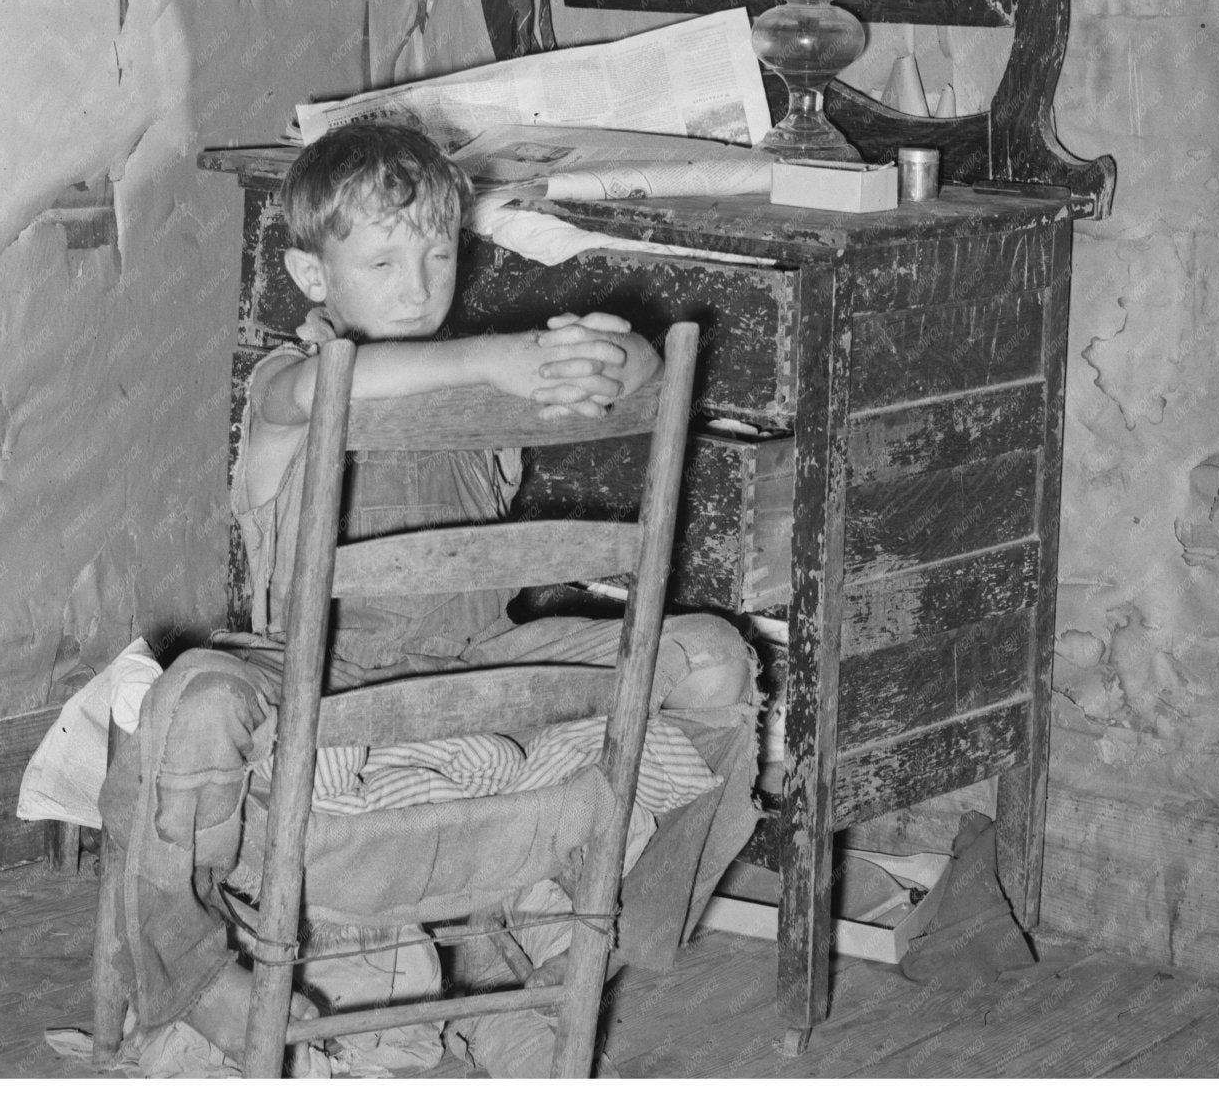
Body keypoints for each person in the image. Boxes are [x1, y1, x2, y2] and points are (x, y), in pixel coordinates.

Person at [100, 121, 757, 1076]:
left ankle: (568, 958)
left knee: (714, 661)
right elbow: (324, 390)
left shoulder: (495, 391)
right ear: (313, 274)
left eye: (439, 255)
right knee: (194, 697)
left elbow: (647, 373)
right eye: (382, 262)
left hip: (481, 663)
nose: (417, 288)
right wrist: (496, 358)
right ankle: (199, 979)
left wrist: (614, 357)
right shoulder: (285, 383)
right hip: (314, 675)